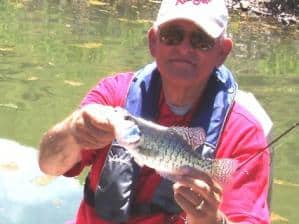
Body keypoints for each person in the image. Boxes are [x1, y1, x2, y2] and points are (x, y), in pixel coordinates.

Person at [38, 0, 271, 223]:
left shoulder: (243, 132)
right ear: (153, 41)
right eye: (172, 35)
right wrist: (73, 130)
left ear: (222, 52)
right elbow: (49, 165)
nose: (184, 48)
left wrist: (213, 221)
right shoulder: (113, 96)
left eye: (201, 40)